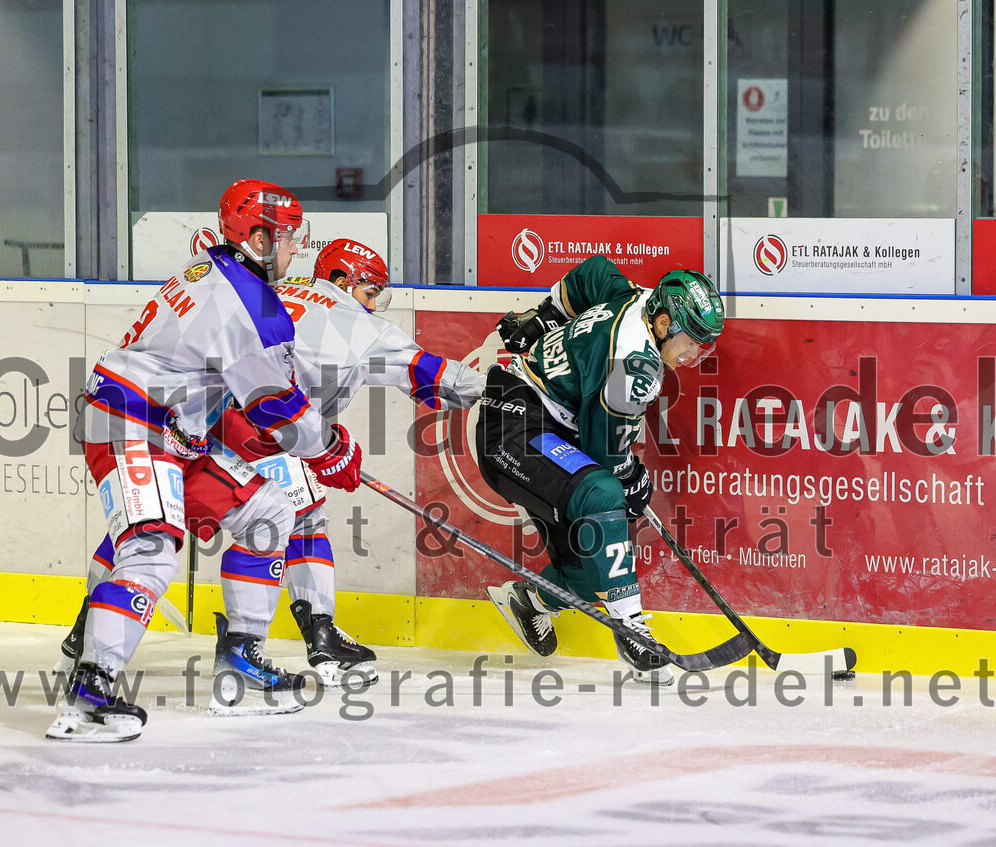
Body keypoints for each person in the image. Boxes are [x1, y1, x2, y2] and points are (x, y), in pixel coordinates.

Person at [48, 180, 363, 742]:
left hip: (173, 432)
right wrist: (332, 449)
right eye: (289, 236)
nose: (297, 249)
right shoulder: (250, 304)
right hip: (132, 425)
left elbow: (242, 392)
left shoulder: (212, 266)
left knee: (268, 511)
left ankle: (240, 665)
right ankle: (89, 693)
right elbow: (275, 405)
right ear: (260, 238)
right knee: (151, 546)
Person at [215, 238, 486, 688]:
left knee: (152, 520)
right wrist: (499, 385)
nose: (374, 303)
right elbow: (433, 377)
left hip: (202, 415)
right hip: (269, 427)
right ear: (343, 280)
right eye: (370, 291)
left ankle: (88, 630)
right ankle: (313, 638)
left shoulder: (278, 289)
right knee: (304, 519)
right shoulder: (356, 322)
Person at [478, 255, 724, 686]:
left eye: (705, 345)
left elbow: (594, 272)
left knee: (594, 566)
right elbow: (605, 453)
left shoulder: (637, 298)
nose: (695, 354)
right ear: (665, 324)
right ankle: (632, 630)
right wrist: (630, 476)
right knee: (605, 492)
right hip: (515, 424)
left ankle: (531, 600)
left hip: (548, 429)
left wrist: (546, 315)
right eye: (692, 342)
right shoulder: (636, 365)